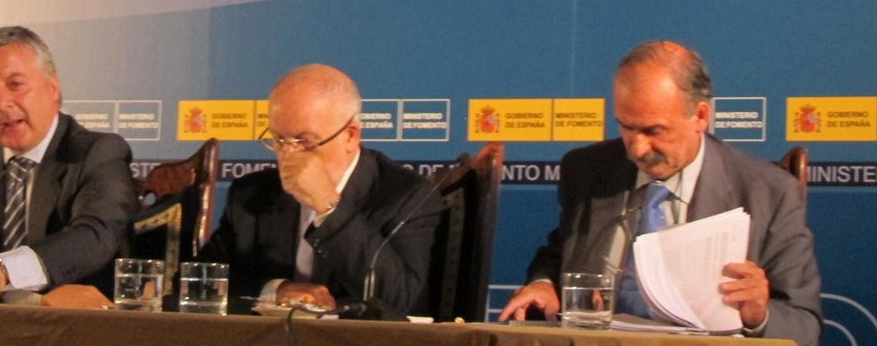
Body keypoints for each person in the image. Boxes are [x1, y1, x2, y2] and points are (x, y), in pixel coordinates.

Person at [499, 40, 821, 346]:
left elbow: (805, 327)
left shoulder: (768, 192)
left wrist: (758, 315)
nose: (638, 148)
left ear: (700, 117)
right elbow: (560, 253)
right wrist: (543, 284)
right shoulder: (587, 171)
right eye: (627, 127)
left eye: (654, 131)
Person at [201, 63, 443, 316]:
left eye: (305, 141)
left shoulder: (407, 196)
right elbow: (201, 281)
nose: (288, 155)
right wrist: (276, 290)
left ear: (350, 136)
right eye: (278, 140)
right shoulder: (251, 194)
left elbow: (399, 301)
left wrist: (329, 207)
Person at [0, 26, 136, 304]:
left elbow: (94, 236)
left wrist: (5, 269)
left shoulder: (97, 152)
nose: (1, 103)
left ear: (52, 88)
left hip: (76, 322)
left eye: (16, 85)